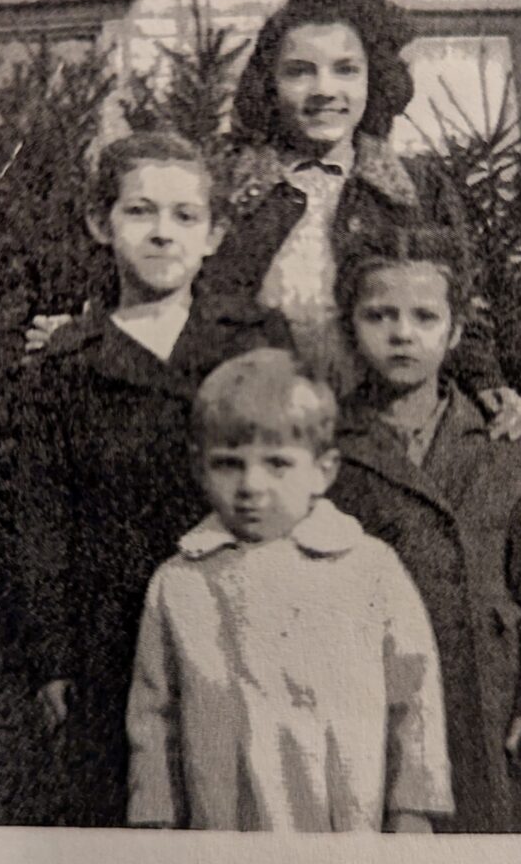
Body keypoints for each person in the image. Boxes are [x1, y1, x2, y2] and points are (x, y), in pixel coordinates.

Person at [26, 0, 521, 441]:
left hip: (383, 436)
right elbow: (149, 278)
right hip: (252, 436)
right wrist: (85, 331)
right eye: (299, 72)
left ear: (372, 79)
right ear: (271, 84)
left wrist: (489, 383)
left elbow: (460, 306)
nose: (324, 91)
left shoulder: (417, 188)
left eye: (345, 71)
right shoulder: (226, 181)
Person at [14, 132, 291, 826]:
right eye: (140, 212)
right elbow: (41, 519)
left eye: (184, 216)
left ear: (214, 233)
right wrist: (52, 657)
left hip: (248, 618)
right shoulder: (68, 364)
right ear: (99, 224)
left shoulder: (255, 340)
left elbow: (298, 477)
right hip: (114, 635)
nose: (162, 234)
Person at [126, 348, 454, 832]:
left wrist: (412, 810)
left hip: (340, 816)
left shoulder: (369, 569)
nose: (251, 485)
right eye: (228, 464)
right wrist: (154, 817)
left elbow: (415, 696)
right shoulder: (180, 583)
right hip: (224, 819)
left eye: (277, 464)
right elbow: (154, 717)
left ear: (323, 469)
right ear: (199, 467)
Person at [329, 224, 521, 833]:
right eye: (379, 315)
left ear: (456, 331)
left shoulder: (510, 442)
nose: (403, 333)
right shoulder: (327, 446)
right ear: (349, 328)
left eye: (425, 317)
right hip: (369, 687)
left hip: (486, 687)